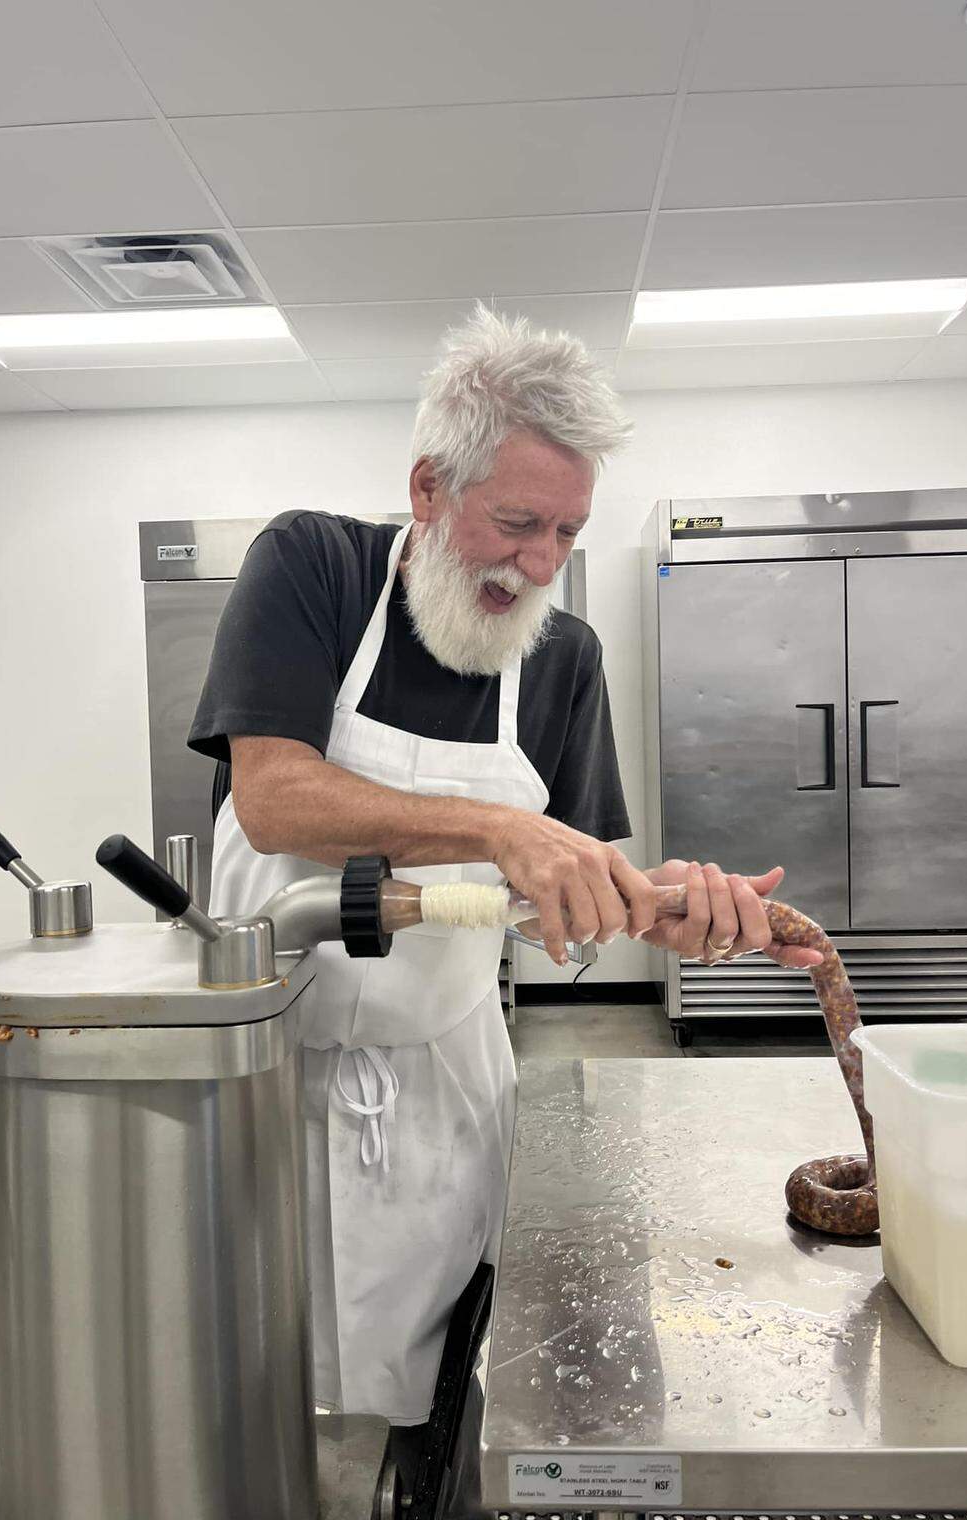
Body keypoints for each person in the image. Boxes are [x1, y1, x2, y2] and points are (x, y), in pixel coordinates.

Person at [188, 306, 820, 1485]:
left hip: (446, 1082)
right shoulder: (314, 568)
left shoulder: (564, 656)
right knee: (264, 1401)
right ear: (429, 488)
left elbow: (582, 895)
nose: (537, 563)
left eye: (566, 532)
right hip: (265, 1082)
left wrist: (683, 901)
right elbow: (275, 799)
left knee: (440, 1400)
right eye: (517, 521)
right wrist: (497, 826)